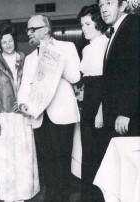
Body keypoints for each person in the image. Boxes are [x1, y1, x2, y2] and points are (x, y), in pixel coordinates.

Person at [18, 15, 80, 202]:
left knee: (62, 163)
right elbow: (25, 86)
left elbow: (75, 77)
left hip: (61, 116)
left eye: (33, 29)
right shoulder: (29, 58)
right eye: (27, 30)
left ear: (46, 29)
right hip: (39, 117)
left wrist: (54, 56)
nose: (29, 33)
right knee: (46, 164)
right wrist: (22, 103)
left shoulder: (67, 48)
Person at [0, 23, 40, 202]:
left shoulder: (25, 59)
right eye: (4, 42)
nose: (8, 45)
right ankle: (8, 196)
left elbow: (34, 85)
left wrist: (26, 104)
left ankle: (23, 195)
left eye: (10, 41)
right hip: (4, 118)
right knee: (5, 160)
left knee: (24, 158)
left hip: (22, 117)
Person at [78, 4, 109, 202]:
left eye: (87, 24)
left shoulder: (106, 44)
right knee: (87, 155)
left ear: (97, 23)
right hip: (88, 102)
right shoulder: (87, 48)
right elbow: (88, 80)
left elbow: (106, 83)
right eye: (82, 25)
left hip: (99, 105)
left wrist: (101, 111)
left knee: (97, 155)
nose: (84, 28)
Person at [97, 0, 139, 137]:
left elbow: (135, 72)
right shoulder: (118, 29)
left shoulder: (133, 25)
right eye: (101, 5)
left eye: (109, 3)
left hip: (129, 117)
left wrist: (126, 112)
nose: (103, 9)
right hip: (116, 115)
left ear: (123, 6)